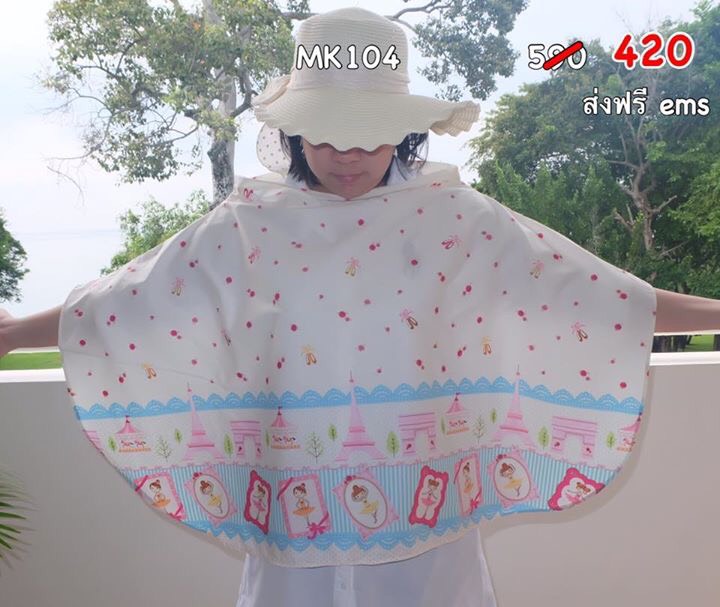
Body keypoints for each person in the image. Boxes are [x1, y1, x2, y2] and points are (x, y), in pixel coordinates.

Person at [1, 7, 720, 607]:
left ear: (405, 127)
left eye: (370, 133)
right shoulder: (246, 225)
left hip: (431, 553)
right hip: (290, 551)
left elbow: (594, 293)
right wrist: (11, 332)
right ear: (293, 131)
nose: (347, 154)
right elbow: (129, 300)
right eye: (325, 133)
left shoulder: (458, 220)